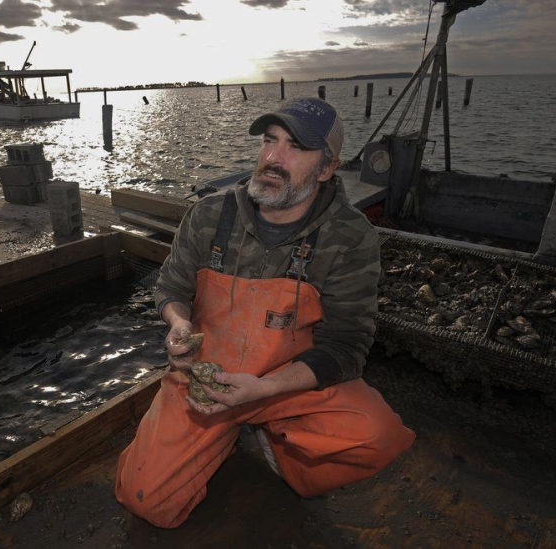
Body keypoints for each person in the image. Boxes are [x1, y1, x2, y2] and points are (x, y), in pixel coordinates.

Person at [115, 97, 415, 528]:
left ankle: (280, 448)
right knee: (145, 498)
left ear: (327, 168)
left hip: (285, 386)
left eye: (296, 147)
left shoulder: (351, 237)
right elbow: (172, 287)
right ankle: (222, 434)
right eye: (270, 140)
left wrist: (264, 389)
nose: (273, 157)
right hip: (205, 383)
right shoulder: (209, 214)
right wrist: (179, 322)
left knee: (376, 436)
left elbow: (346, 347)